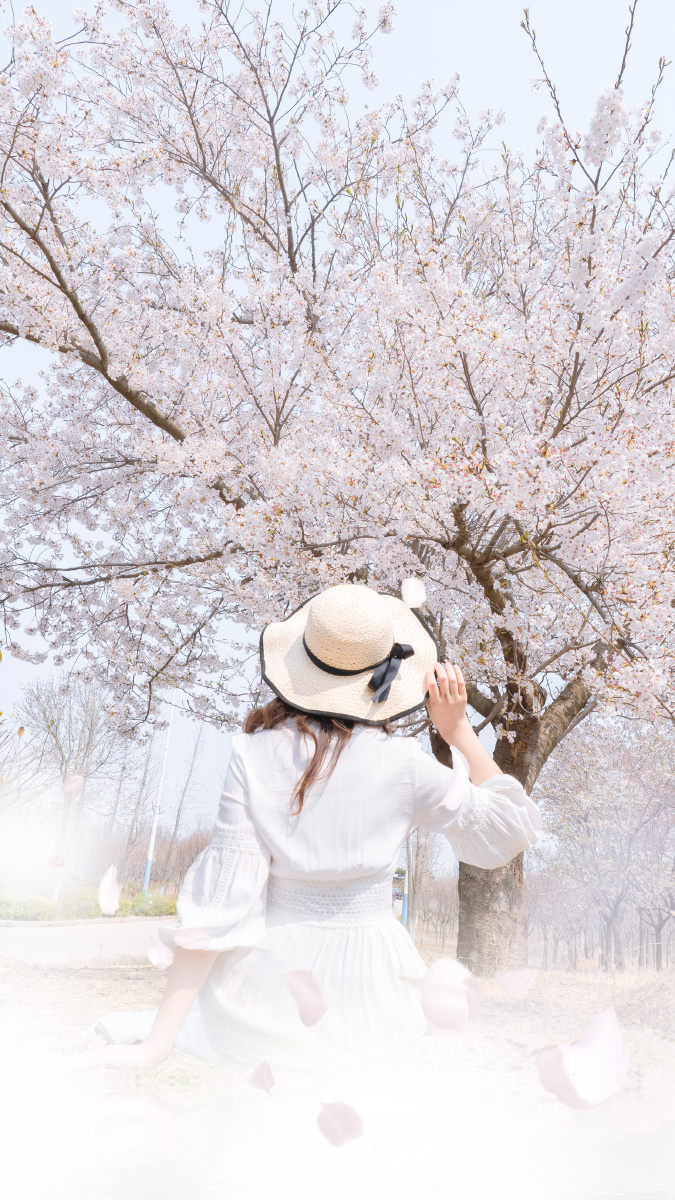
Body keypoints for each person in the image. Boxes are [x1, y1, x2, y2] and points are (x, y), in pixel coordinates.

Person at [91, 583, 541, 1070]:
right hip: (376, 978)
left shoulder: (252, 754)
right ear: (387, 677)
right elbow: (510, 826)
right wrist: (457, 731)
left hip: (275, 975)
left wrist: (158, 1043)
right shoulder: (404, 764)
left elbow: (221, 905)